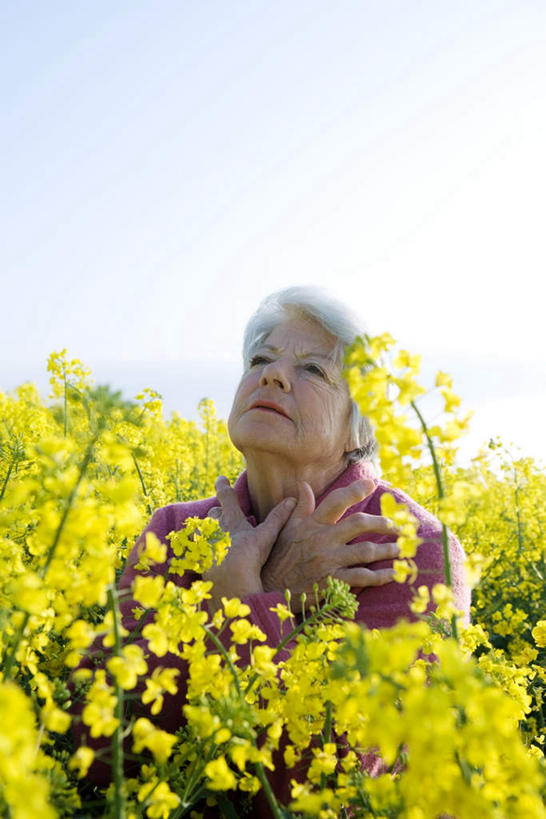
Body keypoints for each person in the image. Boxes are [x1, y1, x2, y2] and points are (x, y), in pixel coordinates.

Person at [77, 286, 470, 812]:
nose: (273, 374)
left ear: (359, 425)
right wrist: (263, 594)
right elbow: (97, 749)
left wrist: (248, 605)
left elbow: (334, 790)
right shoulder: (172, 528)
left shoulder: (411, 548)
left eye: (313, 370)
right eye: (260, 359)